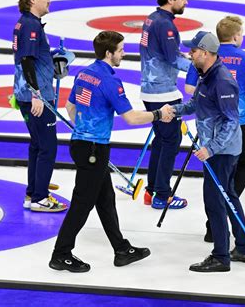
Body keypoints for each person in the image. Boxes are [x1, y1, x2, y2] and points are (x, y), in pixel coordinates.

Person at [49, 31, 174, 273]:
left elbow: (71, 106)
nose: (123, 53)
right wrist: (160, 114)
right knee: (82, 204)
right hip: (94, 149)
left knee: (105, 199)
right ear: (109, 53)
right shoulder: (109, 81)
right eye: (120, 49)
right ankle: (61, 254)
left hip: (81, 144)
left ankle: (121, 249)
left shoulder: (85, 73)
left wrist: (85, 130)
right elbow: (130, 117)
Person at [171, 31, 245, 272]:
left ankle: (221, 256)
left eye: (194, 50)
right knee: (228, 196)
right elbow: (196, 104)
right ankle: (244, 247)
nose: (190, 53)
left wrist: (210, 148)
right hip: (216, 149)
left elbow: (231, 121)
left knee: (215, 201)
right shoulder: (205, 75)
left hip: (222, 152)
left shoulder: (222, 81)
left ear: (205, 53)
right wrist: (173, 111)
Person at [186, 16, 245, 243]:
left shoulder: (210, 62)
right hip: (236, 122)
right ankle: (230, 233)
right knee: (244, 166)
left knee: (222, 187)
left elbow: (189, 87)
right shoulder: (244, 58)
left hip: (216, 127)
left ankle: (228, 233)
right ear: (236, 36)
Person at [12, 0, 66, 212]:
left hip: (30, 93)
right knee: (48, 146)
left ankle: (33, 192)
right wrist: (37, 94)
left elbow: (31, 58)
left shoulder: (27, 24)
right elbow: (26, 60)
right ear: (33, 0)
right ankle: (40, 198)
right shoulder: (31, 26)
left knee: (37, 144)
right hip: (38, 96)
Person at [139, 0, 191, 210]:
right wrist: (201, 67)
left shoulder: (152, 18)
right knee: (171, 140)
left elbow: (167, 53)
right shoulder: (166, 25)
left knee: (162, 139)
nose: (185, 2)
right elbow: (172, 59)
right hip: (163, 92)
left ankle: (152, 191)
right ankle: (162, 194)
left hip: (151, 89)